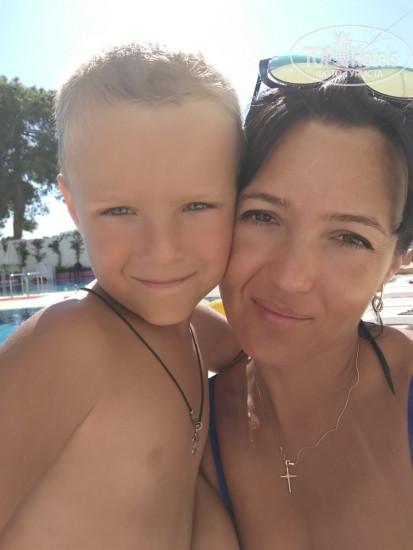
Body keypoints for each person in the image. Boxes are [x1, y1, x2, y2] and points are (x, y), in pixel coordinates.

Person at [0, 42, 243, 549]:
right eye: (119, 211)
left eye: (197, 205)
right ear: (73, 206)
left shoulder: (200, 330)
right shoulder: (69, 346)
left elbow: (270, 360)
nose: (163, 249)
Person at [199, 57, 413, 549]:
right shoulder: (189, 432)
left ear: (396, 260)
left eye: (350, 237)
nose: (291, 278)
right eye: (263, 216)